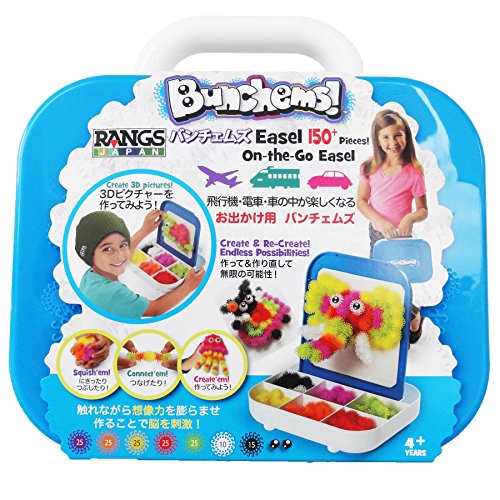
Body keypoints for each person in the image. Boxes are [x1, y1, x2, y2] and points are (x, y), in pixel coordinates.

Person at [356, 109, 428, 342]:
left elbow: (423, 210)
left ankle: (411, 318)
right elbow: (361, 201)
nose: (393, 142)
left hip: (403, 239)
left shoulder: (414, 171)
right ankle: (391, 323)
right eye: (385, 137)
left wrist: (409, 218)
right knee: (380, 281)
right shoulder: (369, 168)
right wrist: (380, 221)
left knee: (401, 282)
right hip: (378, 234)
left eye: (398, 135)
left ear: (406, 136)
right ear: (377, 140)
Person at [75, 210, 205, 318]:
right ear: (90, 255)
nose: (120, 255)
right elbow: (156, 309)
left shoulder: (91, 275)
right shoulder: (113, 293)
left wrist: (144, 230)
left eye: (123, 245)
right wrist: (188, 286)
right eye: (107, 249)